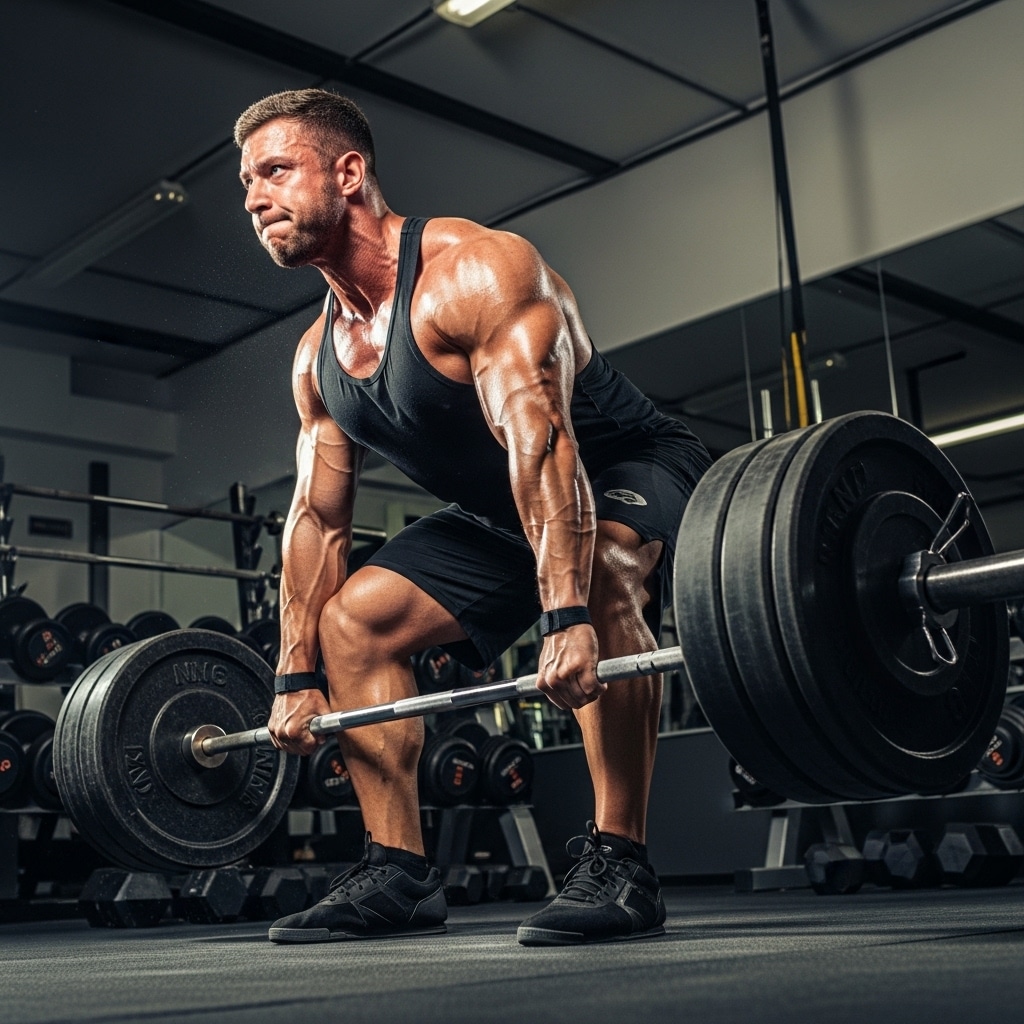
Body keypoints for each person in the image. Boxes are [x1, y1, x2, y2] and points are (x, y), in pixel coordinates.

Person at [234, 88, 712, 947]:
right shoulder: (317, 359)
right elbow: (316, 522)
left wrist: (564, 616)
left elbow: (544, 437)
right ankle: (397, 873)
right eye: (245, 185)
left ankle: (620, 863)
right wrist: (293, 672)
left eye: (273, 171)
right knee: (355, 623)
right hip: (502, 509)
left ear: (348, 173)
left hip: (622, 465)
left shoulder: (476, 270)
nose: (254, 199)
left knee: (601, 567)